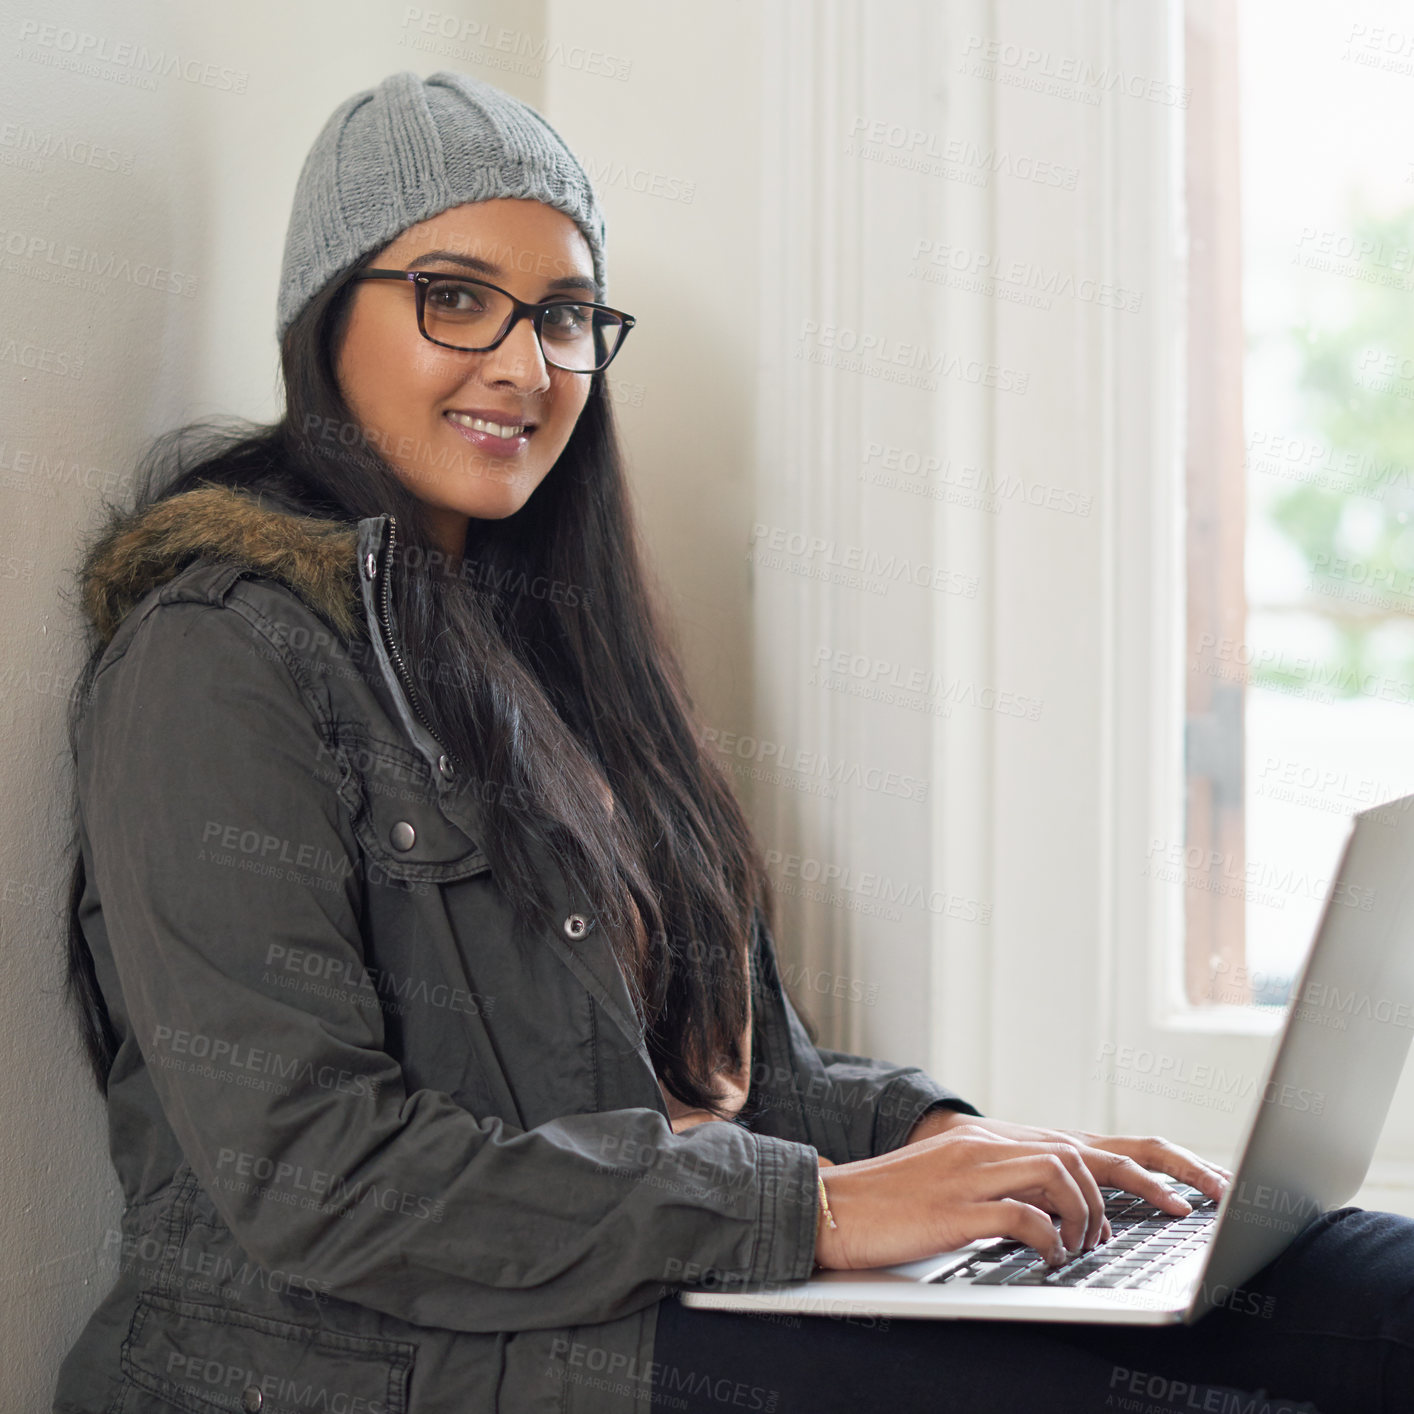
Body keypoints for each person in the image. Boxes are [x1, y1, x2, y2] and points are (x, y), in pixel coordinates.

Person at [51, 69, 1414, 1414]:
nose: (526, 365)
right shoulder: (217, 656)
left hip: (652, 1295)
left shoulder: (562, 658)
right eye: (453, 297)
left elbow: (745, 1078)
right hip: (385, 1362)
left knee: (1364, 1295)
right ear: (321, 318)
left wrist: (950, 1147)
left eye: (567, 315)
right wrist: (817, 1206)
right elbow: (319, 1173)